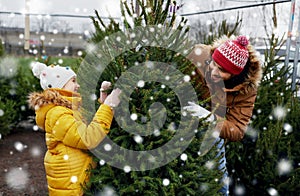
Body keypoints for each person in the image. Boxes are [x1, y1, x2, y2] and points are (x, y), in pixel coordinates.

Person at [28, 62, 121, 195]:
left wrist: (102, 102)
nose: (77, 85)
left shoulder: (67, 108)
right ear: (60, 85)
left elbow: (86, 125)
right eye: (73, 81)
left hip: (79, 179)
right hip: (72, 187)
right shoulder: (57, 113)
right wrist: (107, 107)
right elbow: (87, 138)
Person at [185, 35, 262, 195]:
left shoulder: (246, 90)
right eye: (214, 63)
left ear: (235, 75)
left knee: (217, 180)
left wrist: (210, 118)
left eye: (222, 70)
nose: (214, 71)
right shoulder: (198, 55)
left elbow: (237, 130)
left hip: (211, 131)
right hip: (182, 119)